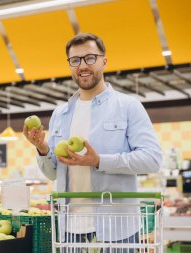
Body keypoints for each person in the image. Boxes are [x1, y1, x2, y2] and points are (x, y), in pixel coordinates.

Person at [23, 33, 163, 252]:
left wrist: (99, 161)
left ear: (104, 61)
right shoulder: (60, 113)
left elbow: (152, 159)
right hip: (69, 227)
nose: (82, 66)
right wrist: (42, 149)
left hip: (117, 228)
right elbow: (53, 173)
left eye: (90, 58)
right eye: (75, 60)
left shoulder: (127, 106)